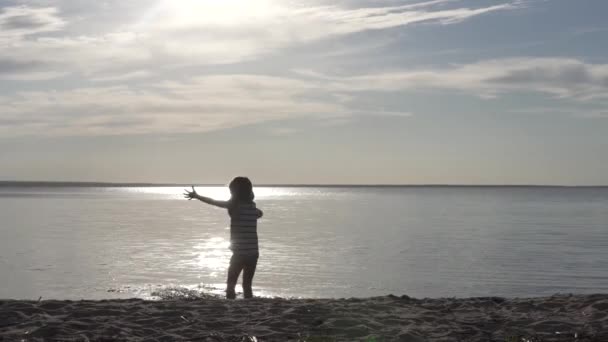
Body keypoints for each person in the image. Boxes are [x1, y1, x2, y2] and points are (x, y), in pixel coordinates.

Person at [184, 177, 263, 299]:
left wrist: (197, 196)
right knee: (247, 285)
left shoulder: (234, 206)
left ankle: (230, 302)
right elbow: (260, 214)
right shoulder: (253, 208)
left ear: (234, 193)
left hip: (239, 253)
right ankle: (249, 303)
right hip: (253, 253)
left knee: (231, 284)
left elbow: (213, 201)